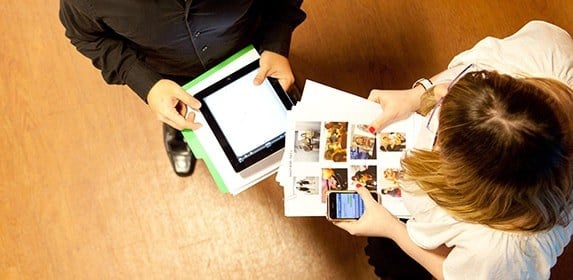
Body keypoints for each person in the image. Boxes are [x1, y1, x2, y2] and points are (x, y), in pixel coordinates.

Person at [332, 20, 573, 280]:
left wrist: (391, 229)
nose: (440, 96)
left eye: (440, 138)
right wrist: (417, 95)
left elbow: (455, 275)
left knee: (396, 264)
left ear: (473, 178)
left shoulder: (500, 252)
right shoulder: (546, 51)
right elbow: (463, 75)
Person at [59, 0, 306, 176]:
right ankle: (180, 132)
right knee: (178, 113)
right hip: (172, 74)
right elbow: (86, 36)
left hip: (251, 48)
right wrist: (148, 85)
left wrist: (276, 41)